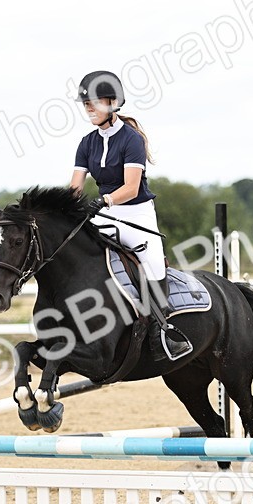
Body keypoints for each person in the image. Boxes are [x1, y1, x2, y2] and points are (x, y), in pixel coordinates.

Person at [69, 70, 191, 360]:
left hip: (135, 214)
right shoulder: (87, 143)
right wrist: (67, 209)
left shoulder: (131, 139)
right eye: (86, 104)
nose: (89, 109)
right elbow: (75, 187)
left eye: (95, 103)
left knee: (151, 264)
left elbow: (131, 187)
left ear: (112, 104)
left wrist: (103, 200)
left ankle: (164, 331)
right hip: (103, 214)